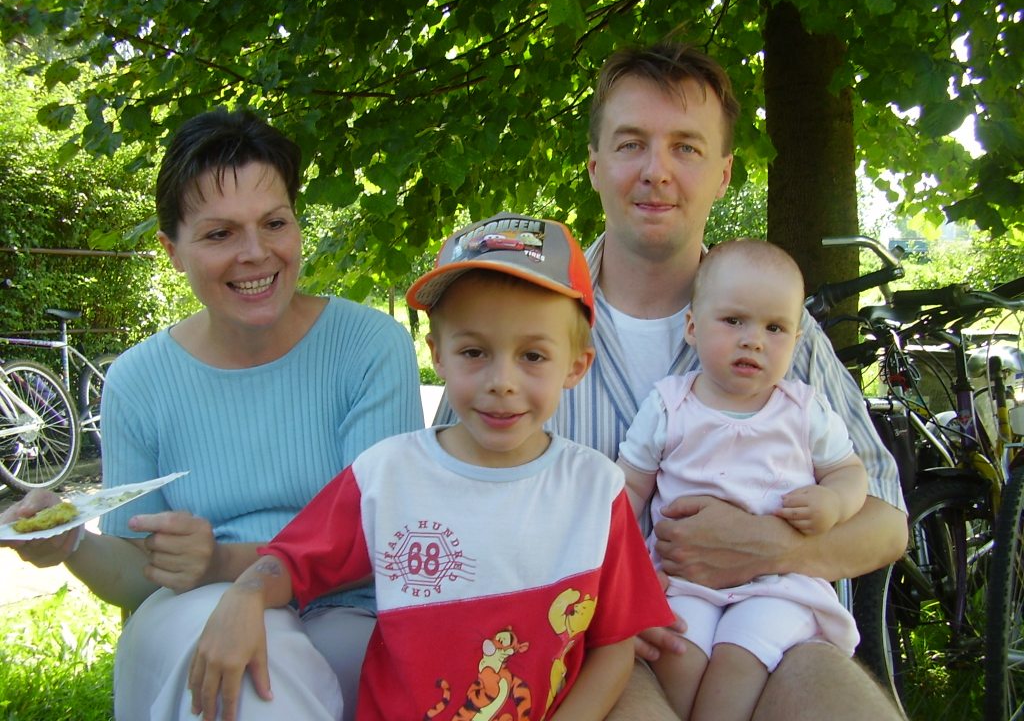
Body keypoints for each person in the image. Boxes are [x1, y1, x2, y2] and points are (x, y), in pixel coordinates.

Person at [433, 41, 908, 719]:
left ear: (723, 173)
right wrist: (596, 603)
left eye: (686, 147)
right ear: (595, 166)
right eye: (631, 144)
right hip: (574, 644)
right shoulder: (514, 321)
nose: (656, 171)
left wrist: (770, 548)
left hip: (771, 636)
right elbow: (444, 512)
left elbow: (886, 520)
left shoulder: (780, 330)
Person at [0, 108, 423, 721]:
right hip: (192, 613)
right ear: (172, 250)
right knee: (244, 670)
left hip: (345, 609)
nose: (256, 253)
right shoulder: (139, 381)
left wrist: (226, 567)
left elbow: (377, 543)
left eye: (274, 223)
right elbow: (138, 576)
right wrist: (71, 544)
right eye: (220, 234)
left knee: (281, 668)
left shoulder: (368, 348)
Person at [187, 211, 675, 721]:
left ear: (576, 365)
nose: (502, 382)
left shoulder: (597, 491)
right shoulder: (386, 476)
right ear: (438, 354)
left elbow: (614, 646)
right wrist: (244, 596)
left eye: (532, 356)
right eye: (474, 352)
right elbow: (291, 561)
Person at [617, 238, 868, 721]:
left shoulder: (803, 410)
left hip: (779, 585)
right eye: (733, 321)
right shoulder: (670, 405)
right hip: (684, 578)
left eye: (774, 328)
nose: (753, 340)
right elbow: (629, 488)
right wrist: (627, 570)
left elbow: (849, 471)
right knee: (676, 653)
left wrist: (834, 502)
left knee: (740, 658)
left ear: (796, 342)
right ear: (692, 327)